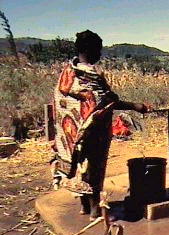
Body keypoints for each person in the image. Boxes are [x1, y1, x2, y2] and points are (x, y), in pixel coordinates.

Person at [51, 30, 150, 220]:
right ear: (91, 50)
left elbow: (61, 100)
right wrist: (135, 106)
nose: (100, 54)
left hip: (72, 134)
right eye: (99, 49)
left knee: (81, 165)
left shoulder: (68, 72)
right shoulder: (91, 75)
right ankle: (96, 210)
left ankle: (84, 206)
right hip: (94, 131)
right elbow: (105, 102)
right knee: (95, 166)